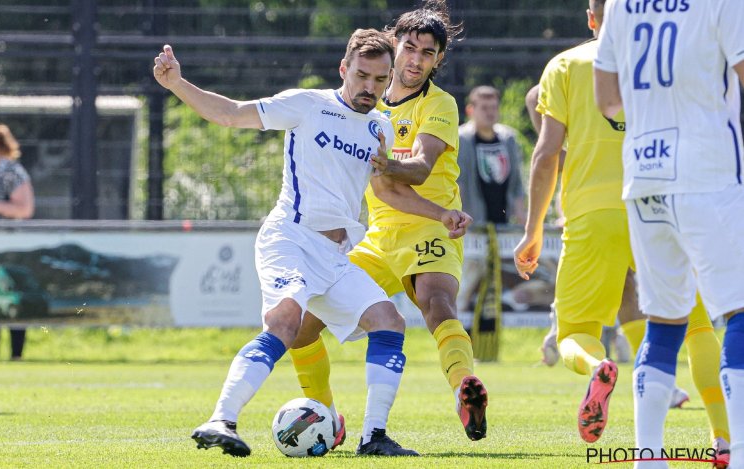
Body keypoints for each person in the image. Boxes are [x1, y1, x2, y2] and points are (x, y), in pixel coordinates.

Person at [153, 29, 470, 458]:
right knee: (286, 321)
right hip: (290, 239)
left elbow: (389, 192)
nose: (370, 88)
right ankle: (220, 419)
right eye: (362, 76)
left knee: (389, 321)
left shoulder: (378, 127)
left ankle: (373, 437)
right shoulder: (307, 105)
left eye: (380, 80)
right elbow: (231, 114)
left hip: (334, 256)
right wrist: (176, 84)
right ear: (344, 70)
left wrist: (441, 214)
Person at [515, 1, 729, 455]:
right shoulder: (665, 60)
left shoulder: (566, 63)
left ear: (591, 19)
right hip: (662, 202)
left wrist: (533, 230)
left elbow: (547, 152)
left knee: (574, 331)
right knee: (695, 328)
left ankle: (596, 367)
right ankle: (723, 436)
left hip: (594, 213)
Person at [289, 0, 490, 444]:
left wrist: (381, 161)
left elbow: (418, 167)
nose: (416, 60)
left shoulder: (440, 104)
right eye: (410, 47)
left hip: (430, 225)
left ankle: (464, 387)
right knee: (301, 324)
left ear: (439, 60)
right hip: (378, 236)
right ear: (394, 45)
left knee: (437, 304)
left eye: (428, 53)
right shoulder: (364, 97)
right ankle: (327, 417)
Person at [594, 0, 744, 467]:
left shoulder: (619, 4)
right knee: (739, 312)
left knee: (663, 322)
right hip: (710, 173)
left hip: (644, 174)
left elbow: (608, 100)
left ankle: (649, 458)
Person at [456, 85, 525, 330]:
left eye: (494, 107)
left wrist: (526, 224)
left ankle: (489, 343)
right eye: (484, 108)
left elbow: (517, 185)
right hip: (472, 228)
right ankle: (457, 334)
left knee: (496, 285)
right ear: (470, 110)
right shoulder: (461, 138)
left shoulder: (508, 137)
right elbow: (459, 183)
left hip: (504, 230)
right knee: (470, 283)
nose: (490, 113)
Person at [0, 124, 35, 361]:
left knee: (13, 297)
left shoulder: (11, 172)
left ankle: (16, 354)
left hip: (10, 248)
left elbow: (25, 209)